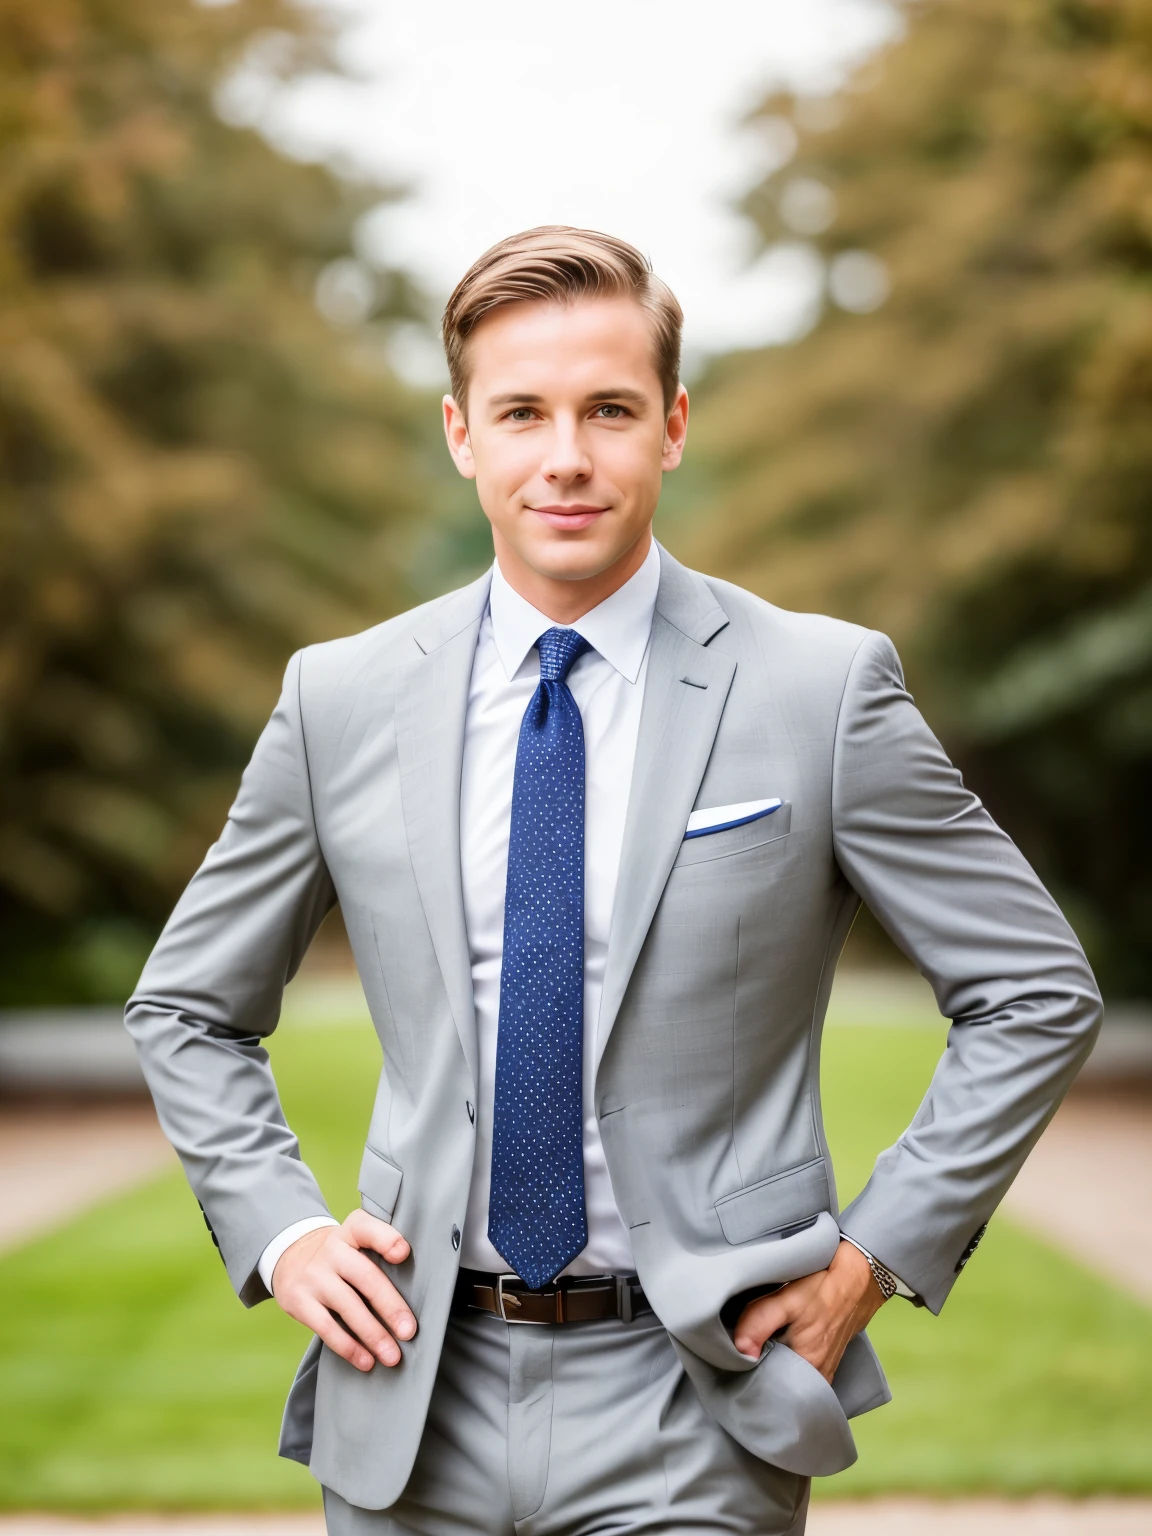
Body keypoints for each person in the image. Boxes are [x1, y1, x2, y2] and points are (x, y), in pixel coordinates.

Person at [126, 226, 1102, 1536]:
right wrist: (280, 1228)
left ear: (673, 426)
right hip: (410, 1391)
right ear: (463, 434)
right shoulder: (340, 700)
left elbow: (1034, 988)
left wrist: (875, 1262)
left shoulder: (822, 690)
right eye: (522, 411)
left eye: (609, 410)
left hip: (698, 1399)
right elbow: (188, 1006)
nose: (567, 456)